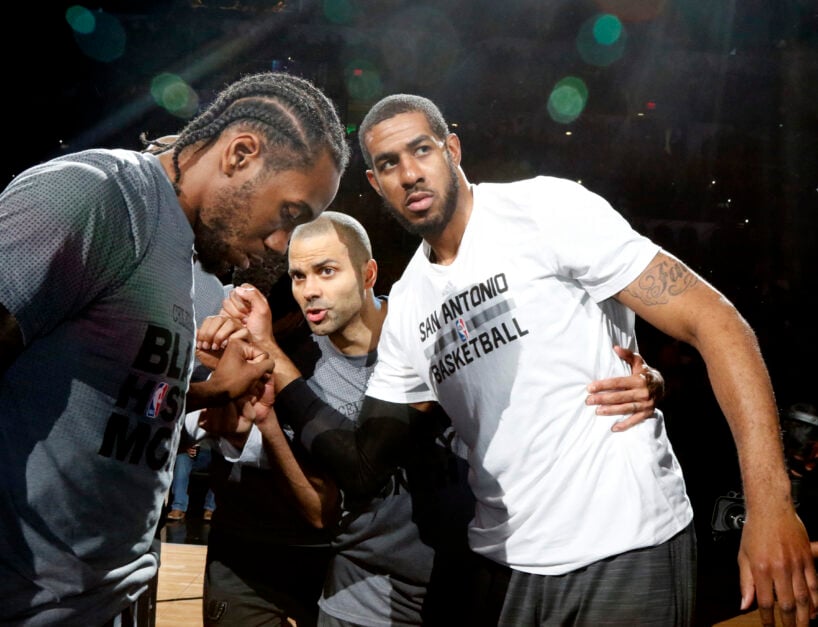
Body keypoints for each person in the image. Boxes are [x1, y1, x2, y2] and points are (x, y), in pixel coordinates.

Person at [235, 94, 816, 626]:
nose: (410, 173)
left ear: (452, 149)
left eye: (421, 150)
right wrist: (276, 365)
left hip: (625, 542)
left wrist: (769, 506)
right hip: (507, 567)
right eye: (389, 164)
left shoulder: (545, 209)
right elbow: (364, 466)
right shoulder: (410, 302)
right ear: (375, 182)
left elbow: (717, 322)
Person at [199, 212, 667, 626]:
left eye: (326, 271)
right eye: (299, 276)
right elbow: (325, 497)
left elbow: (540, 365)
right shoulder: (296, 366)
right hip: (367, 591)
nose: (310, 290)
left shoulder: (431, 328)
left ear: (368, 273)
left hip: (475, 574)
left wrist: (645, 379)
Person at [0, 70, 349, 626]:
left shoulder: (205, 272)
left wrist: (217, 390)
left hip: (114, 595)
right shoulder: (95, 196)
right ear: (240, 154)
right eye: (290, 215)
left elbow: (120, 392)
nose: (283, 245)